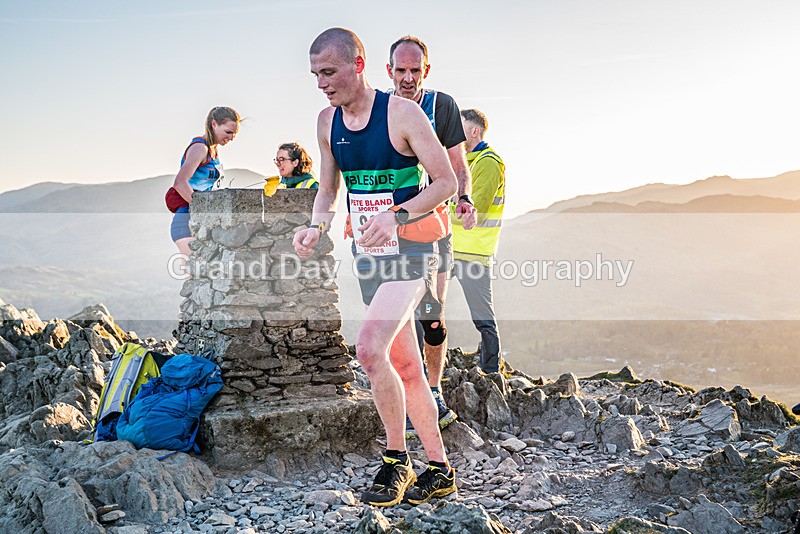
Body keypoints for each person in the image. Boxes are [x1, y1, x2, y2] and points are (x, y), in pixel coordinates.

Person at [294, 27, 458, 507]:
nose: (321, 83)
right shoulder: (327, 122)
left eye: (329, 72)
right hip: (370, 256)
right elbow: (329, 189)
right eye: (315, 74)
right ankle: (440, 469)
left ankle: (395, 459)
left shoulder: (401, 113)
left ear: (358, 65)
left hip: (412, 252)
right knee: (404, 365)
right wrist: (316, 227)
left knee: (368, 349)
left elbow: (445, 182)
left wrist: (396, 216)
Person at [386, 36, 477, 437]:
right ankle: (410, 391)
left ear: (426, 70)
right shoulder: (380, 110)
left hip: (434, 226)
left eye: (414, 70)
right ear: (389, 71)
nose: (407, 78)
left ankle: (434, 390)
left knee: (432, 316)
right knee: (395, 316)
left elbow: (457, 162)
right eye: (400, 70)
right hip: (390, 230)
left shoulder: (442, 106)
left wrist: (464, 198)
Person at [451, 109, 505, 373]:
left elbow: (477, 212)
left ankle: (491, 372)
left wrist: (439, 206)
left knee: (482, 317)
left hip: (473, 253)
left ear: (474, 131)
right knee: (424, 307)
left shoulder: (488, 162)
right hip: (447, 248)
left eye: (459, 128)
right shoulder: (459, 161)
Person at [166, 106, 241, 256]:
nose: (232, 137)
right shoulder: (200, 148)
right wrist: (202, 209)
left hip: (196, 220)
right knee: (196, 269)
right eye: (228, 132)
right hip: (186, 221)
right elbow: (180, 182)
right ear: (214, 124)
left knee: (199, 269)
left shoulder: (212, 150)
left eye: (234, 133)